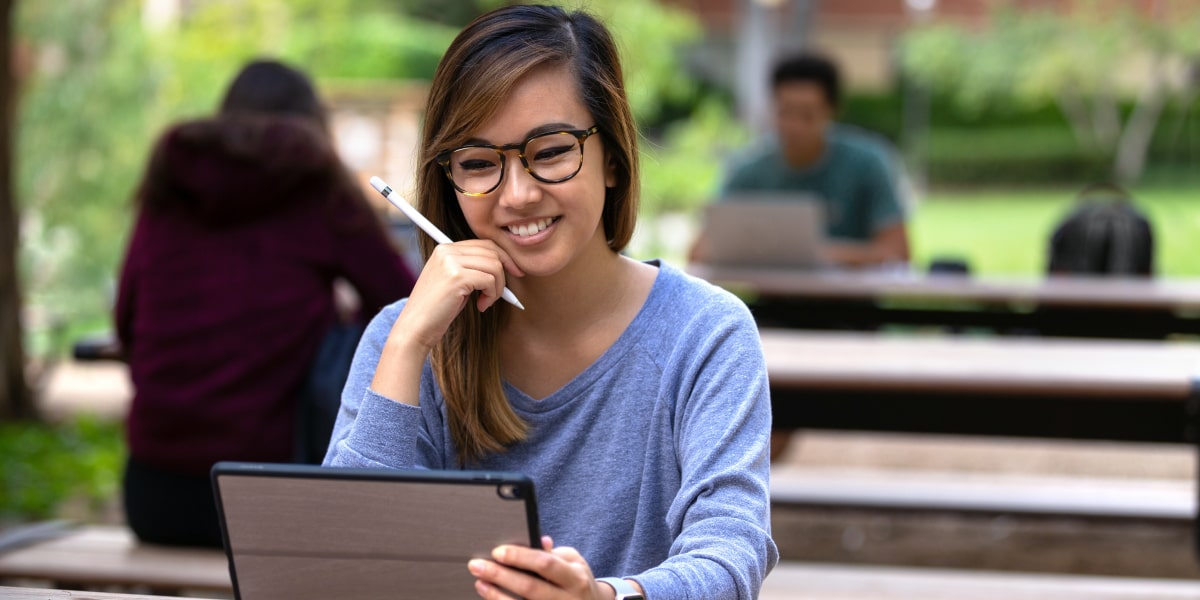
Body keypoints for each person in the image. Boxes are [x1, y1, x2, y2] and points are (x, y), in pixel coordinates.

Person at [323, 5, 777, 600]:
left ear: (612, 158)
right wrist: (409, 345)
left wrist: (604, 598)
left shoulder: (705, 334)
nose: (517, 194)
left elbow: (732, 551)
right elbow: (338, 558)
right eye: (480, 163)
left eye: (552, 150)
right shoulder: (405, 337)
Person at [115, 59, 416, 547]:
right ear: (311, 120)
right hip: (270, 495)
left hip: (155, 493)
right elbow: (407, 306)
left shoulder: (171, 187)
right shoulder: (319, 183)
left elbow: (126, 320)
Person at [691, 51, 911, 269]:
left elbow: (898, 251)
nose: (794, 126)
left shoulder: (868, 163)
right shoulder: (748, 168)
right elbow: (698, 252)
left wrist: (822, 254)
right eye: (785, 112)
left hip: (850, 301)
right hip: (767, 301)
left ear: (831, 111)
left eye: (807, 115)